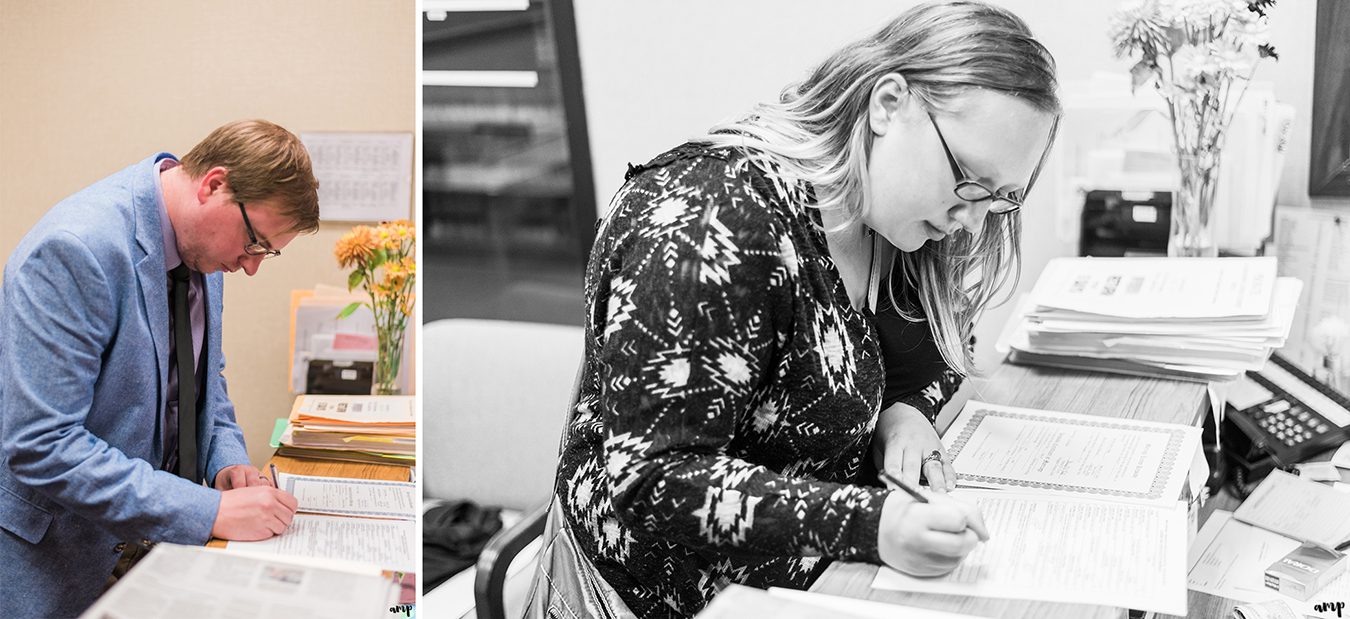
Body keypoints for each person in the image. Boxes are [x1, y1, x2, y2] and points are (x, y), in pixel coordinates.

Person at [540, 2, 1061, 617]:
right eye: (968, 180)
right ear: (887, 105)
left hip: (821, 581)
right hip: (669, 598)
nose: (972, 218)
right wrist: (871, 524)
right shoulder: (712, 222)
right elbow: (652, 481)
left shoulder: (898, 215)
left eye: (1000, 197)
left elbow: (943, 347)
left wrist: (906, 411)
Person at [0, 119, 318, 617]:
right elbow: (42, 446)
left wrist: (228, 462)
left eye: (267, 253)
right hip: (58, 565)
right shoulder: (76, 249)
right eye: (256, 243)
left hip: (154, 552)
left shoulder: (203, 246)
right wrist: (208, 511)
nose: (252, 266)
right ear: (213, 185)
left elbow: (203, 380)